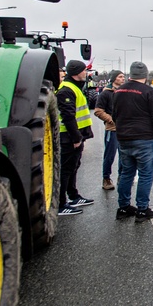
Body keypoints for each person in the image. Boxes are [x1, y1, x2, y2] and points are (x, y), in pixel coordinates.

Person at [113, 61, 153, 222]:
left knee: (126, 173)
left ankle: (123, 207)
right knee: (145, 175)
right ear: (146, 75)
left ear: (130, 75)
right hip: (146, 139)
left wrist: (121, 131)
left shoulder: (119, 91)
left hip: (124, 139)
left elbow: (115, 114)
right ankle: (142, 210)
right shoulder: (149, 92)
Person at [56, 59, 95, 216]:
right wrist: (76, 138)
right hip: (68, 137)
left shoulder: (73, 88)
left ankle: (73, 196)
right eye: (84, 70)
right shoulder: (66, 90)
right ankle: (60, 203)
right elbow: (68, 116)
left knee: (73, 167)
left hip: (74, 136)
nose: (86, 73)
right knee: (65, 170)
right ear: (77, 73)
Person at [94, 69, 125, 190]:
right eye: (120, 77)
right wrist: (110, 119)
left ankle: (122, 177)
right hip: (112, 129)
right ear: (114, 79)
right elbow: (98, 111)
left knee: (124, 155)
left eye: (123, 76)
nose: (123, 78)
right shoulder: (105, 94)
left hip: (124, 130)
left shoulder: (124, 92)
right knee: (109, 155)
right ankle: (106, 179)